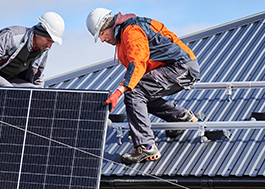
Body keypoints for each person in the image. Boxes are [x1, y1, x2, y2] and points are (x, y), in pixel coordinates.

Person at [86, 8, 201, 165]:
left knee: (134, 93)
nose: (102, 40)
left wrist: (120, 91)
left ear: (109, 26)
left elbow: (138, 63)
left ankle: (146, 147)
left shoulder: (131, 30)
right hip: (179, 66)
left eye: (101, 34)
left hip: (181, 67)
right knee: (139, 95)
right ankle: (181, 117)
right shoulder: (123, 37)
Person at [0, 11, 65, 107]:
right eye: (48, 40)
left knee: (37, 93)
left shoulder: (43, 50)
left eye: (52, 42)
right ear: (39, 33)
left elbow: (37, 78)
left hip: (14, 81)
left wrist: (39, 99)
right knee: (10, 92)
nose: (49, 46)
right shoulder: (12, 37)